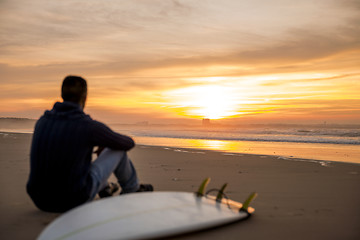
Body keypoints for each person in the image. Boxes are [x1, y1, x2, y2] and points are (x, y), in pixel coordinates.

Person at [26, 75, 153, 213]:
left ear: (62, 94)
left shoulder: (42, 121)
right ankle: (132, 189)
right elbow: (128, 143)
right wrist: (105, 144)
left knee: (73, 157)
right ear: (85, 97)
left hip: (40, 200)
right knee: (117, 150)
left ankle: (104, 188)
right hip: (73, 200)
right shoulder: (87, 126)